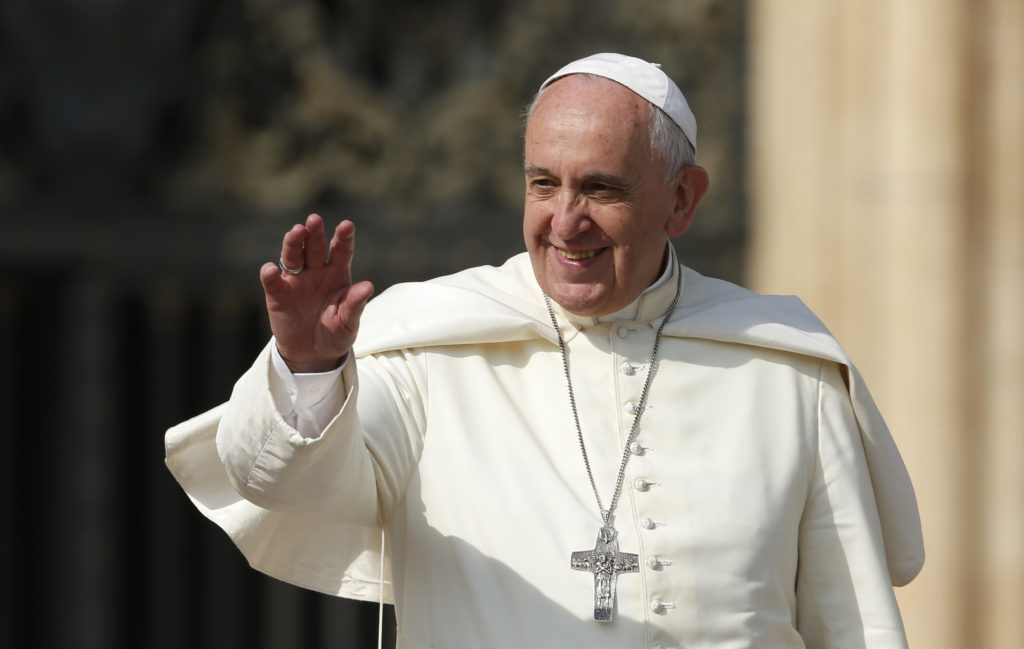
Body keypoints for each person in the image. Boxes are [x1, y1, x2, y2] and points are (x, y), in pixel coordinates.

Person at [166, 53, 923, 648]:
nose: (566, 222)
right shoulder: (428, 351)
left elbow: (851, 624)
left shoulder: (789, 371)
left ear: (682, 199)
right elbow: (287, 484)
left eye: (600, 189)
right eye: (543, 184)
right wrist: (307, 366)